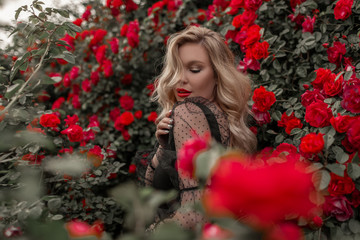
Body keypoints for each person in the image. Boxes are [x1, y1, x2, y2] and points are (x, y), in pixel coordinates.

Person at [136, 25, 257, 230]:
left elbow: (194, 215)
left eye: (194, 69)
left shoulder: (188, 113)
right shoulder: (223, 123)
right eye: (176, 69)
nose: (181, 79)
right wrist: (164, 148)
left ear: (218, 76)